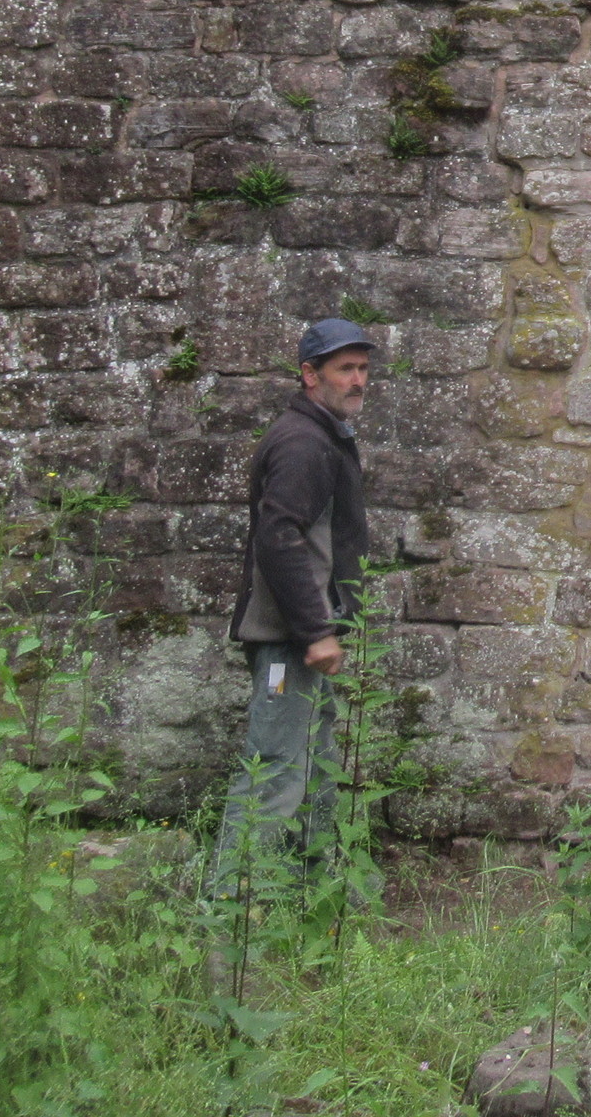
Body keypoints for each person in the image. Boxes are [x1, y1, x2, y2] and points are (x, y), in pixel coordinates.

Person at [207, 316, 374, 896]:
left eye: (363, 368)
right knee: (275, 768)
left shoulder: (322, 435)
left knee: (316, 765)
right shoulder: (304, 442)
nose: (358, 380)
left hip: (301, 638)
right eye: (345, 369)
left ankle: (308, 894)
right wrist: (315, 631)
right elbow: (278, 539)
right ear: (310, 374)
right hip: (288, 642)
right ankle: (227, 910)